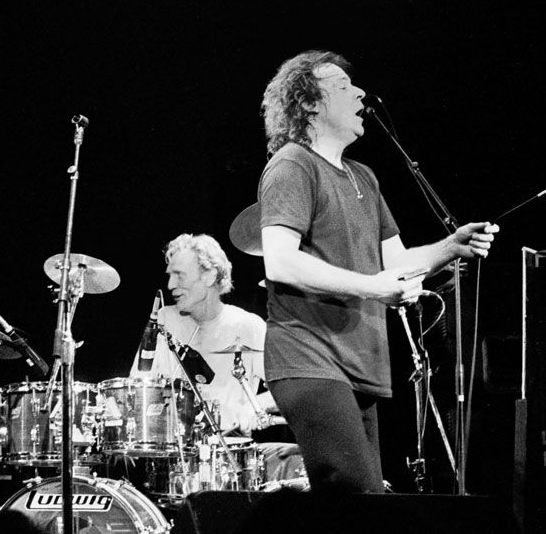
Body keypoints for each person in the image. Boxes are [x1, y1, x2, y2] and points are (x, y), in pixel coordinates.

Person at [256, 49, 498, 493]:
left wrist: (450, 247)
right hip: (309, 357)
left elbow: (395, 264)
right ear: (308, 102)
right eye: (343, 87)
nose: (361, 92)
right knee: (358, 493)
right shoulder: (293, 164)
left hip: (360, 363)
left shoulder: (363, 176)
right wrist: (373, 287)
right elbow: (280, 260)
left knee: (361, 502)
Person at [132, 233, 279, 436]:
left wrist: (255, 406)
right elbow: (137, 387)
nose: (170, 285)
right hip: (170, 452)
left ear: (209, 276)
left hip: (228, 451)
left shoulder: (248, 326)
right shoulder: (165, 319)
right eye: (169, 275)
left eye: (180, 275)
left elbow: (290, 388)